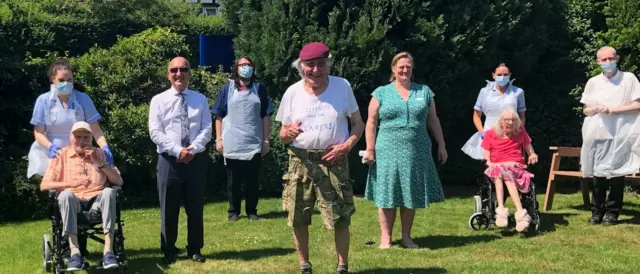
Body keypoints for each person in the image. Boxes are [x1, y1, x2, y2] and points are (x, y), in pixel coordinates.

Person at [277, 42, 364, 274]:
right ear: (301, 67)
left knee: (340, 217)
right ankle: (304, 266)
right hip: (300, 162)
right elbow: (282, 134)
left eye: (321, 64)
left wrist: (347, 146)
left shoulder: (342, 87)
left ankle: (342, 266)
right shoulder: (292, 93)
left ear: (328, 63)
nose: (316, 70)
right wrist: (288, 133)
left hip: (333, 161)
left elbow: (358, 124)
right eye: (310, 65)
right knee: (297, 217)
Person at [363, 52, 447, 249]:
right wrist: (370, 149)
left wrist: (441, 145)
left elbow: (433, 120)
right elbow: (371, 122)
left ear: (412, 68)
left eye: (408, 66)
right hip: (387, 150)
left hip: (417, 150)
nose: (404, 70)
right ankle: (386, 238)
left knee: (411, 192)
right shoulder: (381, 93)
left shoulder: (424, 91)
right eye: (401, 66)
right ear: (393, 69)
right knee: (387, 192)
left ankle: (407, 237)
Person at [149, 57, 212, 264]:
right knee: (169, 207)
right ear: (168, 74)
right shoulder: (158, 100)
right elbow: (155, 132)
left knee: (195, 206)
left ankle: (195, 248)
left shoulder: (200, 99)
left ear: (189, 73)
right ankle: (168, 249)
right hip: (169, 160)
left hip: (196, 159)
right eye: (174, 70)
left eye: (183, 69)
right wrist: (178, 151)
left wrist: (192, 150)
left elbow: (207, 129)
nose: (179, 74)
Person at [40, 121, 123, 271]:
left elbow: (118, 181)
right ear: (71, 137)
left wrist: (99, 163)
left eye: (86, 137)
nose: (82, 141)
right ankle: (75, 253)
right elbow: (44, 184)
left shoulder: (100, 154)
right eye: (78, 137)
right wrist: (67, 184)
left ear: (91, 138)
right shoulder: (61, 155)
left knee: (109, 192)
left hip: (97, 203)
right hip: (72, 204)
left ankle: (108, 251)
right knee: (65, 195)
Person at [580, 46, 640, 226]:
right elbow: (586, 109)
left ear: (617, 58)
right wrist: (595, 108)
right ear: (598, 62)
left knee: (617, 173)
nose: (608, 62)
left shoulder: (628, 79)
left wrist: (612, 110)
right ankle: (596, 210)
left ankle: (612, 212)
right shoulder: (593, 82)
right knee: (597, 173)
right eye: (603, 60)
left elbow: (637, 105)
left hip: (621, 133)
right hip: (598, 132)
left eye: (610, 59)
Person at [211, 56, 274, 222]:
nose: (246, 67)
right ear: (236, 68)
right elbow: (219, 115)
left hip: (253, 142)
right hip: (232, 142)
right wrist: (218, 139)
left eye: (248, 65)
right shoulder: (227, 89)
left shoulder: (259, 89)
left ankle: (252, 212)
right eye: (242, 65)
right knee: (234, 182)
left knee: (252, 181)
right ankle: (233, 212)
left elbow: (265, 115)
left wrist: (266, 140)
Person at [28, 60, 115, 178]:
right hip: (52, 156)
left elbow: (96, 130)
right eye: (62, 80)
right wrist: (51, 147)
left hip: (81, 154)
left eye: (69, 80)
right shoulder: (44, 100)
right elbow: (38, 133)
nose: (66, 84)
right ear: (53, 79)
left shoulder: (83, 99)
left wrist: (104, 147)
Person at [481, 107, 538, 232]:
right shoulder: (490, 134)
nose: (510, 122)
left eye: (513, 120)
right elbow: (488, 160)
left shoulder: (520, 132)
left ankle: (511, 213)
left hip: (516, 169)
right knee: (501, 171)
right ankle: (513, 212)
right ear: (500, 121)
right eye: (507, 119)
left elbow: (530, 150)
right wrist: (505, 164)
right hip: (496, 169)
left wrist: (533, 154)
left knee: (505, 172)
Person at [461, 63, 526, 160]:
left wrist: (518, 132)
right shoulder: (484, 91)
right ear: (493, 75)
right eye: (499, 74)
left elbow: (522, 116)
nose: (502, 77)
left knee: (511, 168)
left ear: (510, 75)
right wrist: (482, 132)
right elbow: (476, 116)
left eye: (505, 74)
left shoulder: (518, 92)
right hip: (489, 136)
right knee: (492, 168)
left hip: (511, 137)